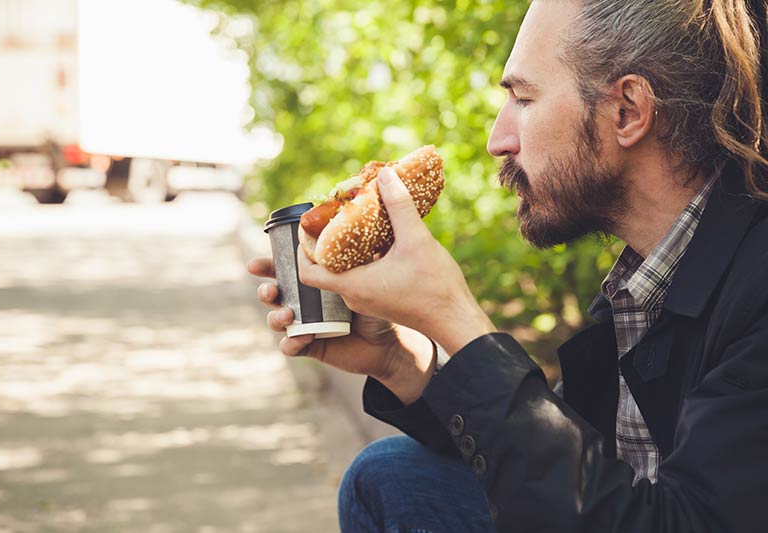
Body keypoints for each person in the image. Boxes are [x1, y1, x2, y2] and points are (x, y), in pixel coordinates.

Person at [249, 0, 768, 530]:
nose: (499, 140)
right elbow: (569, 463)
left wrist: (455, 316)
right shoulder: (653, 278)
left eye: (523, 98)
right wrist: (399, 362)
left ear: (628, 111)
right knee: (390, 476)